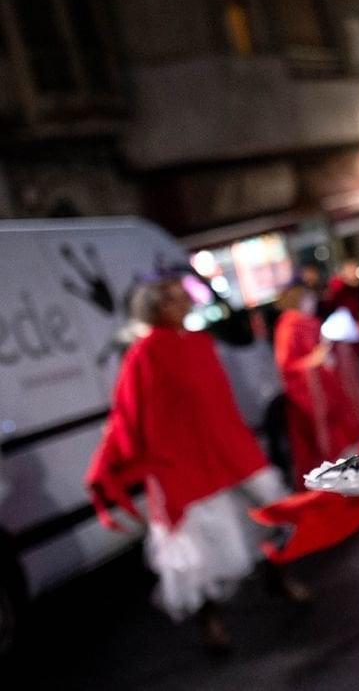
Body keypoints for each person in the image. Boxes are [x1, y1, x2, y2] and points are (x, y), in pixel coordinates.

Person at [85, 277, 310, 651]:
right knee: (200, 550)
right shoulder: (143, 355)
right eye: (175, 299)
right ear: (158, 309)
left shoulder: (200, 343)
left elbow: (219, 401)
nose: (186, 303)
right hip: (184, 467)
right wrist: (111, 462)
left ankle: (278, 577)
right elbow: (128, 414)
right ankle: (212, 625)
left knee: (272, 512)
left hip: (230, 453)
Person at [273, 283, 359, 486]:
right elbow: (288, 366)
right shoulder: (289, 327)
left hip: (330, 392)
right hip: (316, 400)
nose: (313, 303)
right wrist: (313, 362)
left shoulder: (309, 323)